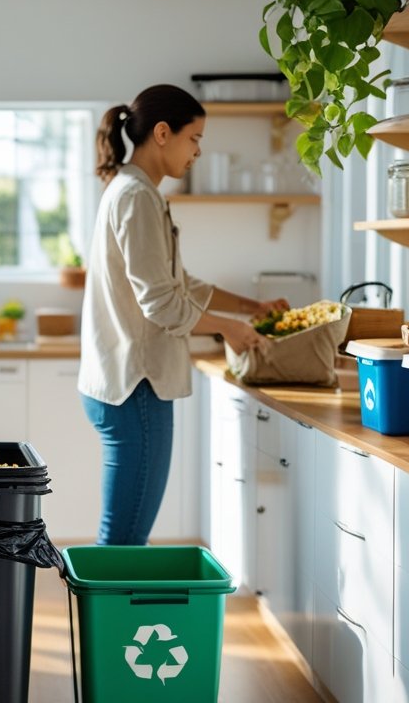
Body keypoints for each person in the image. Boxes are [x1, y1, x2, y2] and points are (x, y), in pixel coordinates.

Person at [78, 83, 289, 546]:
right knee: (124, 539)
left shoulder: (135, 192)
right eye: (193, 138)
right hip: (138, 386)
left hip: (124, 384)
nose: (197, 151)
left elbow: (181, 285)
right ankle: (105, 620)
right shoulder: (136, 197)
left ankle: (103, 619)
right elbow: (163, 304)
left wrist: (252, 307)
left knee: (122, 535)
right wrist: (230, 329)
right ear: (161, 133)